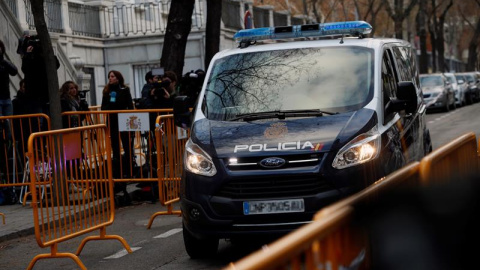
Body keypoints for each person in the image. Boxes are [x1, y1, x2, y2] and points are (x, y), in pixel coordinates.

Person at [101, 70, 133, 205]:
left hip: (124, 120)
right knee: (115, 145)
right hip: (113, 121)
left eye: (112, 76)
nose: (110, 78)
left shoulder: (125, 90)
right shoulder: (107, 91)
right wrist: (111, 101)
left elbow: (129, 105)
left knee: (127, 144)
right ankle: (117, 168)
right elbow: (104, 108)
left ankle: (129, 167)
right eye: (109, 76)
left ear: (118, 78)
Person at [20, 35, 60, 117]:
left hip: (46, 93)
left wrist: (48, 52)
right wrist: (27, 55)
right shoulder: (30, 57)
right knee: (39, 119)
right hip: (34, 94)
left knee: (47, 118)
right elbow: (25, 69)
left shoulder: (46, 57)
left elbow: (56, 65)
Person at [0, 39, 18, 117]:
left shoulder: (4, 62)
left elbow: (14, 71)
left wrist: (2, 60)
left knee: (8, 124)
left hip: (6, 98)